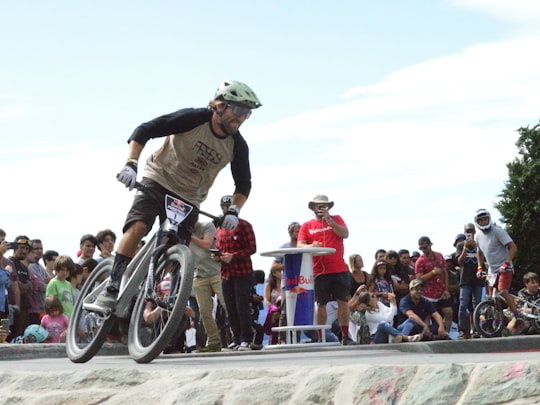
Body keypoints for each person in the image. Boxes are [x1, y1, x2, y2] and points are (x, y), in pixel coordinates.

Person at [94, 79, 261, 312]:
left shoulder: (237, 145)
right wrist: (131, 164)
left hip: (190, 196)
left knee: (177, 248)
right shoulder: (194, 119)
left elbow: (244, 185)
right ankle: (112, 285)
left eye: (247, 113)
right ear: (220, 106)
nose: (242, 118)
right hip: (159, 178)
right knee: (139, 226)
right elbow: (145, 130)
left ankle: (166, 297)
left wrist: (234, 210)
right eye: (239, 110)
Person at [297, 194, 355, 345]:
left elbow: (345, 234)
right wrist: (311, 246)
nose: (322, 208)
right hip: (319, 271)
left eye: (325, 205)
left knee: (343, 301)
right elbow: (299, 245)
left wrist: (330, 220)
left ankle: (345, 336)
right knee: (321, 303)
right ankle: (320, 336)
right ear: (313, 208)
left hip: (338, 268)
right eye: (319, 206)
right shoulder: (307, 225)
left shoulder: (336, 219)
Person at [215, 195, 257, 351]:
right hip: (226, 273)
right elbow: (219, 249)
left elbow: (252, 248)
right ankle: (236, 338)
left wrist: (234, 256)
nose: (225, 209)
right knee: (230, 308)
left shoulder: (245, 225)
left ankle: (246, 339)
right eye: (223, 206)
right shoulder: (219, 228)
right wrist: (217, 256)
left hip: (243, 272)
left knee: (242, 307)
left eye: (228, 206)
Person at [474, 208, 523, 334]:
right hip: (492, 270)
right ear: (477, 222)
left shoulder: (498, 232)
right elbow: (479, 253)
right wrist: (480, 268)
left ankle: (518, 318)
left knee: (503, 291)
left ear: (489, 218)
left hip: (504, 267)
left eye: (485, 219)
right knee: (492, 297)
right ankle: (498, 319)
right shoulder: (477, 236)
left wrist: (507, 262)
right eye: (481, 220)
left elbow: (513, 247)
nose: (484, 222)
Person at [191, 221, 227, 353]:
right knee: (204, 311)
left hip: (216, 273)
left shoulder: (207, 226)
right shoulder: (183, 232)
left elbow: (207, 244)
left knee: (227, 304)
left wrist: (189, 236)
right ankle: (213, 342)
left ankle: (241, 338)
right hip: (199, 275)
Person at [415, 236, 453, 334]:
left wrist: (446, 289)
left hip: (440, 292)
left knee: (448, 312)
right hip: (428, 294)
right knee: (428, 316)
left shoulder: (439, 256)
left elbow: (445, 272)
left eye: (425, 247)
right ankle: (426, 335)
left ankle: (445, 333)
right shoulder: (420, 261)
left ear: (430, 245)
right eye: (421, 248)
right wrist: (432, 272)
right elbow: (419, 278)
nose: (424, 250)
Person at [271, 221, 301, 344]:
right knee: (285, 311)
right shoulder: (284, 247)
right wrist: (288, 265)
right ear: (290, 232)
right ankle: (282, 339)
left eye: (300, 231)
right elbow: (274, 266)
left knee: (298, 311)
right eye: (297, 231)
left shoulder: (305, 246)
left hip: (303, 283)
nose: (299, 233)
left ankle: (296, 339)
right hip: (288, 284)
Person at [357, 291, 423, 343]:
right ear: (369, 302)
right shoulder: (369, 314)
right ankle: (405, 338)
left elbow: (394, 313)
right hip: (378, 335)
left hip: (391, 332)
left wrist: (393, 302)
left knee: (410, 320)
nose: (375, 296)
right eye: (372, 296)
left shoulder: (379, 304)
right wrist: (392, 303)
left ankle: (400, 338)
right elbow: (388, 319)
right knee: (382, 324)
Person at [456, 223, 484, 339]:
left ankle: (477, 329)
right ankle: (461, 330)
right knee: (463, 304)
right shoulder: (460, 245)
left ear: (475, 232)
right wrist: (466, 247)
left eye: (472, 231)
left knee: (477, 304)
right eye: (468, 231)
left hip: (477, 279)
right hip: (465, 280)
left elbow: (482, 259)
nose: (470, 233)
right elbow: (460, 261)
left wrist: (476, 247)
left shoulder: (480, 243)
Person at [9, 236, 34, 337]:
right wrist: (25, 286)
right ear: (15, 247)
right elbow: (16, 285)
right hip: (13, 309)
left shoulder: (24, 267)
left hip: (25, 308)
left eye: (27, 249)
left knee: (22, 337)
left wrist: (25, 286)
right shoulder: (9, 263)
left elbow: (30, 289)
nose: (24, 251)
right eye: (22, 247)